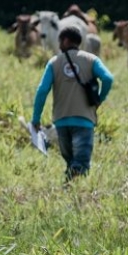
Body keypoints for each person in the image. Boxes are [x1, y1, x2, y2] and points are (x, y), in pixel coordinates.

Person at [31, 26, 114, 181]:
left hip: (61, 122)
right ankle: (73, 194)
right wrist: (99, 100)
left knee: (71, 163)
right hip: (84, 121)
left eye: (60, 41)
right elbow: (108, 79)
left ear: (66, 40)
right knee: (80, 165)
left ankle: (69, 192)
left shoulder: (54, 62)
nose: (59, 45)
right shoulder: (91, 60)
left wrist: (36, 119)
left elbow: (42, 91)